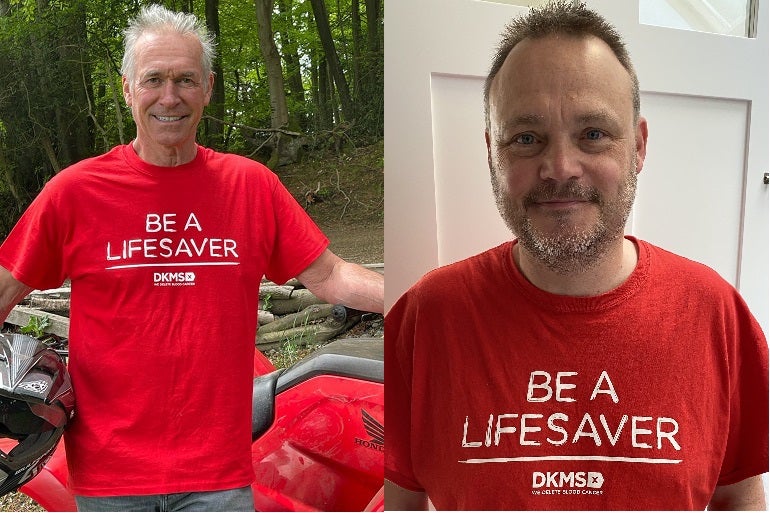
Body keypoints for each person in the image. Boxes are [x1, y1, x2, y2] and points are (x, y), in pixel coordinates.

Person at [384, 1, 768, 510]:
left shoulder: (715, 314)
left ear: (638, 146)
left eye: (592, 134)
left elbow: (739, 497)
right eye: (526, 138)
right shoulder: (423, 319)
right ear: (491, 153)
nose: (560, 167)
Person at [0, 4, 383, 511]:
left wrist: (427, 296)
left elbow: (331, 275)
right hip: (110, 473)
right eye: (153, 79)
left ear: (207, 87)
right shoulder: (76, 192)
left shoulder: (250, 186)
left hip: (218, 475)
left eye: (185, 79)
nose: (170, 97)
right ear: (127, 89)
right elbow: (6, 285)